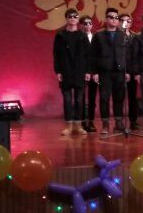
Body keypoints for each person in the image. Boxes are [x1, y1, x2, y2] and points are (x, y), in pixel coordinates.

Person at [90, 8, 130, 134]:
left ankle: (119, 122)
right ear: (106, 19)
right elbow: (93, 55)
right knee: (104, 98)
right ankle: (105, 124)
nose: (114, 20)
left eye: (116, 18)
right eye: (111, 17)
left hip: (119, 71)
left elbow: (127, 55)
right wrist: (95, 72)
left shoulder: (123, 35)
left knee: (119, 97)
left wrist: (127, 71)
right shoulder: (99, 35)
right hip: (104, 71)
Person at [53, 8, 90, 136]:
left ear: (78, 19)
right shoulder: (60, 35)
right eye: (70, 16)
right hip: (66, 70)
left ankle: (78, 125)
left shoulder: (82, 35)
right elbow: (56, 54)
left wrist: (88, 71)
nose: (73, 18)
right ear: (66, 18)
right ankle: (69, 126)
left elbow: (88, 55)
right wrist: (58, 71)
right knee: (67, 100)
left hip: (80, 70)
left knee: (79, 100)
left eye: (75, 16)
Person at [119, 13, 141, 129]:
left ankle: (133, 121)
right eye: (123, 20)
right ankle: (119, 122)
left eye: (128, 21)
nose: (125, 23)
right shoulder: (116, 35)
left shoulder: (135, 36)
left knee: (132, 97)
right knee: (120, 97)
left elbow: (137, 55)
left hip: (132, 70)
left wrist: (136, 72)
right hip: (120, 70)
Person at [78, 15, 99, 133]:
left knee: (92, 98)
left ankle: (91, 121)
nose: (88, 25)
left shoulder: (96, 37)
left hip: (94, 72)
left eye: (90, 23)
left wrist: (95, 72)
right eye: (85, 23)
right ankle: (81, 122)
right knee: (80, 98)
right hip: (81, 71)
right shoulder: (78, 37)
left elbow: (98, 56)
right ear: (81, 25)